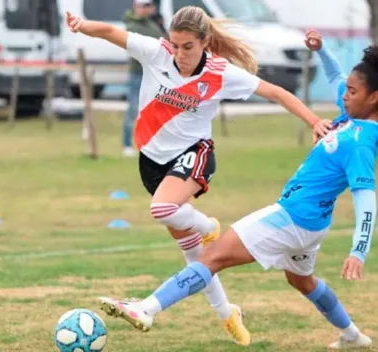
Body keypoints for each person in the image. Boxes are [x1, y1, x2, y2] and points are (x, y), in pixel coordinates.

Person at [66, 6, 331, 345]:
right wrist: (83, 24)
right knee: (195, 257)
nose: (179, 54)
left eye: (187, 46)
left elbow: (276, 93)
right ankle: (227, 313)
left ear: (205, 42)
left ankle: (208, 226)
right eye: (175, 45)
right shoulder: (155, 52)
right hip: (152, 163)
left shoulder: (221, 73)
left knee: (162, 209)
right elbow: (109, 32)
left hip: (195, 154)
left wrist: (314, 122)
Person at [96, 30, 377, 350]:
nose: (344, 95)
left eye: (352, 92)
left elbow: (366, 198)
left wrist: (358, 250)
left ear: (373, 98)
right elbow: (337, 76)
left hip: (290, 218)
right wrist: (323, 49)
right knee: (302, 280)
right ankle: (353, 336)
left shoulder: (362, 142)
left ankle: (145, 309)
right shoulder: (352, 112)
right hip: (311, 224)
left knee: (211, 256)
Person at [123, 0, 166, 157]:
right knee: (134, 108)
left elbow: (164, 42)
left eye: (149, 6)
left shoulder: (153, 24)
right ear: (136, 7)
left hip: (154, 73)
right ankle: (127, 144)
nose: (148, 9)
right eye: (145, 6)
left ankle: (151, 144)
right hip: (138, 73)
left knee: (155, 109)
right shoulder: (131, 25)